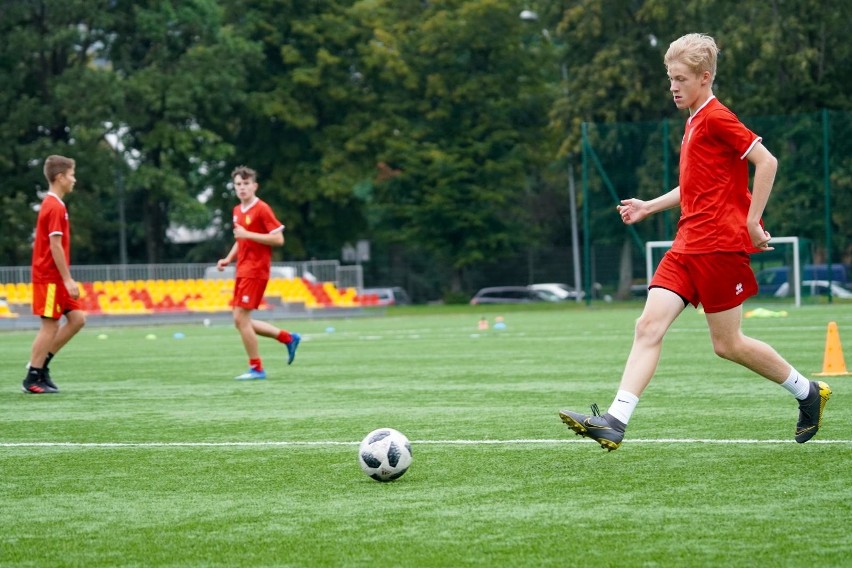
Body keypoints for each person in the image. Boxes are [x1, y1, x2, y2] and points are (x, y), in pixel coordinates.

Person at [559, 33, 831, 450]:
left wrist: (753, 221)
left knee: (728, 345)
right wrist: (649, 206)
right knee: (647, 325)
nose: (673, 86)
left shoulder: (717, 117)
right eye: (669, 78)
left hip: (719, 247)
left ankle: (806, 392)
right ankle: (615, 420)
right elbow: (694, 186)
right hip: (687, 245)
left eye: (681, 78)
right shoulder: (692, 120)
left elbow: (767, 161)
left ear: (704, 78)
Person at [217, 165, 300, 380]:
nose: (242, 188)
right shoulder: (237, 210)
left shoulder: (262, 208)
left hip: (256, 270)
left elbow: (278, 239)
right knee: (240, 321)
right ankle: (287, 338)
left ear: (255, 186)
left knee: (241, 320)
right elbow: (241, 238)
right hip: (242, 269)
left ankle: (257, 368)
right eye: (238, 184)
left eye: (246, 184)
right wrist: (228, 258)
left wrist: (249, 233)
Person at [23, 155, 86, 394]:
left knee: (78, 319)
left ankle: (41, 365)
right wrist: (68, 279)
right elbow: (55, 246)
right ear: (60, 177)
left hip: (56, 279)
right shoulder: (54, 206)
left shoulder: (56, 205)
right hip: (49, 278)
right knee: (49, 326)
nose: (74, 180)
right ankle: (32, 377)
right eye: (71, 175)